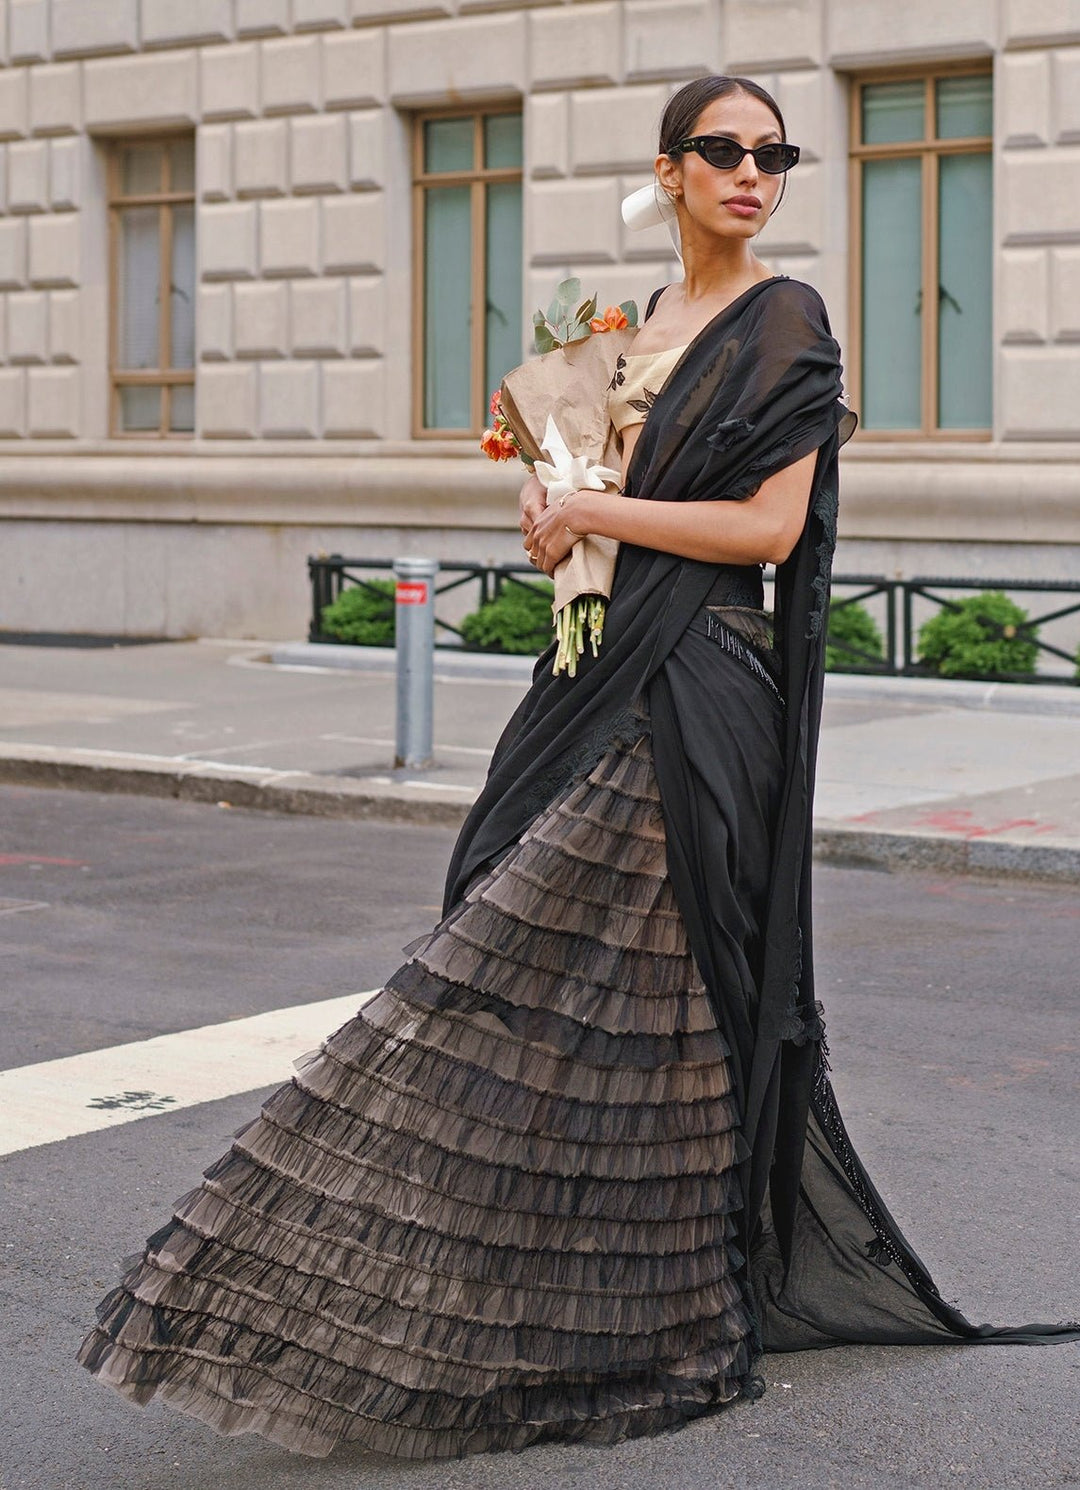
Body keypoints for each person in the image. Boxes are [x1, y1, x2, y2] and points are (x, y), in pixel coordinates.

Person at [78, 76, 1078, 1461]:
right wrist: (554, 516)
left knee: (629, 985)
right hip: (594, 674)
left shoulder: (787, 318)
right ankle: (485, 1290)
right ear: (667, 171)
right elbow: (606, 506)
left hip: (706, 689)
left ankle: (659, 1309)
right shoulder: (630, 329)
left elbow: (773, 529)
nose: (752, 172)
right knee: (522, 960)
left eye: (772, 154)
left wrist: (598, 502)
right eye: (723, 152)